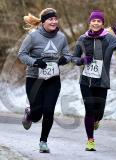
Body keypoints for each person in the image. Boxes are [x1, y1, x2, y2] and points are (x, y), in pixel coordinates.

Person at [72, 10, 116, 151]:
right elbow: (73, 58)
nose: (96, 23)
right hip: (86, 81)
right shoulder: (82, 39)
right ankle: (90, 140)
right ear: (90, 22)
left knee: (99, 113)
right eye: (94, 20)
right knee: (89, 110)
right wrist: (81, 60)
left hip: (102, 81)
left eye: (99, 21)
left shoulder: (109, 39)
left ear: (102, 24)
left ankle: (97, 120)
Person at [18, 8, 71, 153]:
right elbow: (21, 54)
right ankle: (30, 113)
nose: (54, 21)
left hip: (53, 79)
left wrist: (64, 59)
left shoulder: (61, 37)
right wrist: (35, 62)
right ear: (43, 22)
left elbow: (68, 55)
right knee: (37, 115)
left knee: (49, 111)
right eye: (50, 19)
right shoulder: (33, 37)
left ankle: (43, 142)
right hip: (34, 78)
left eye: (55, 19)